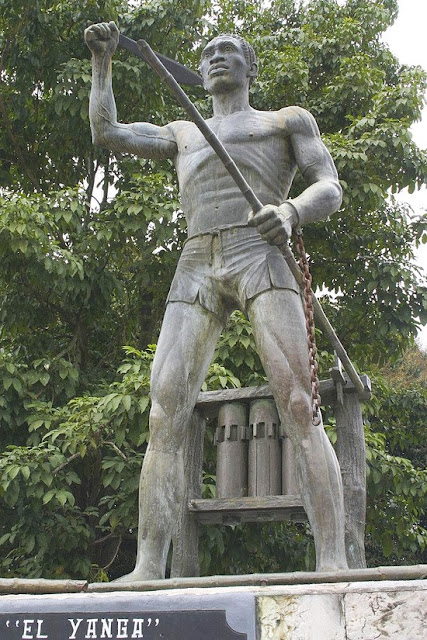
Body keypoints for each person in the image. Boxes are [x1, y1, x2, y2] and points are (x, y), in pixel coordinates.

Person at [85, 21, 348, 580]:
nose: (215, 57)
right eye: (207, 53)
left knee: (299, 404)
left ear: (250, 66)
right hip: (196, 260)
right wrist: (102, 62)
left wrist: (291, 211)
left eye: (228, 49)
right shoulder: (183, 130)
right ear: (199, 73)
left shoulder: (285, 120)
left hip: (260, 250)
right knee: (164, 413)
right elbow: (107, 132)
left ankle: (332, 560)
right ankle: (148, 566)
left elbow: (330, 185)